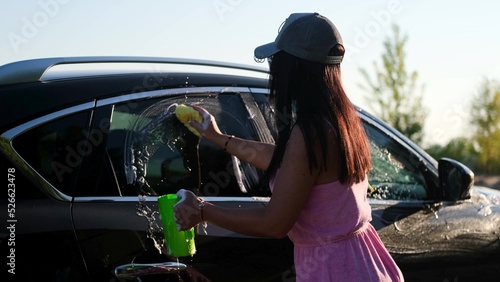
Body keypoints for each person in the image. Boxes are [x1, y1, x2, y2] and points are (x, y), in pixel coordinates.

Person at [173, 12, 404, 281]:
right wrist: (217, 137)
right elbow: (288, 163)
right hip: (363, 261)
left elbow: (275, 223)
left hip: (335, 270)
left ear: (293, 68)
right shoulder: (340, 119)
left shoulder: (310, 133)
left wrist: (201, 211)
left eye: (276, 61)